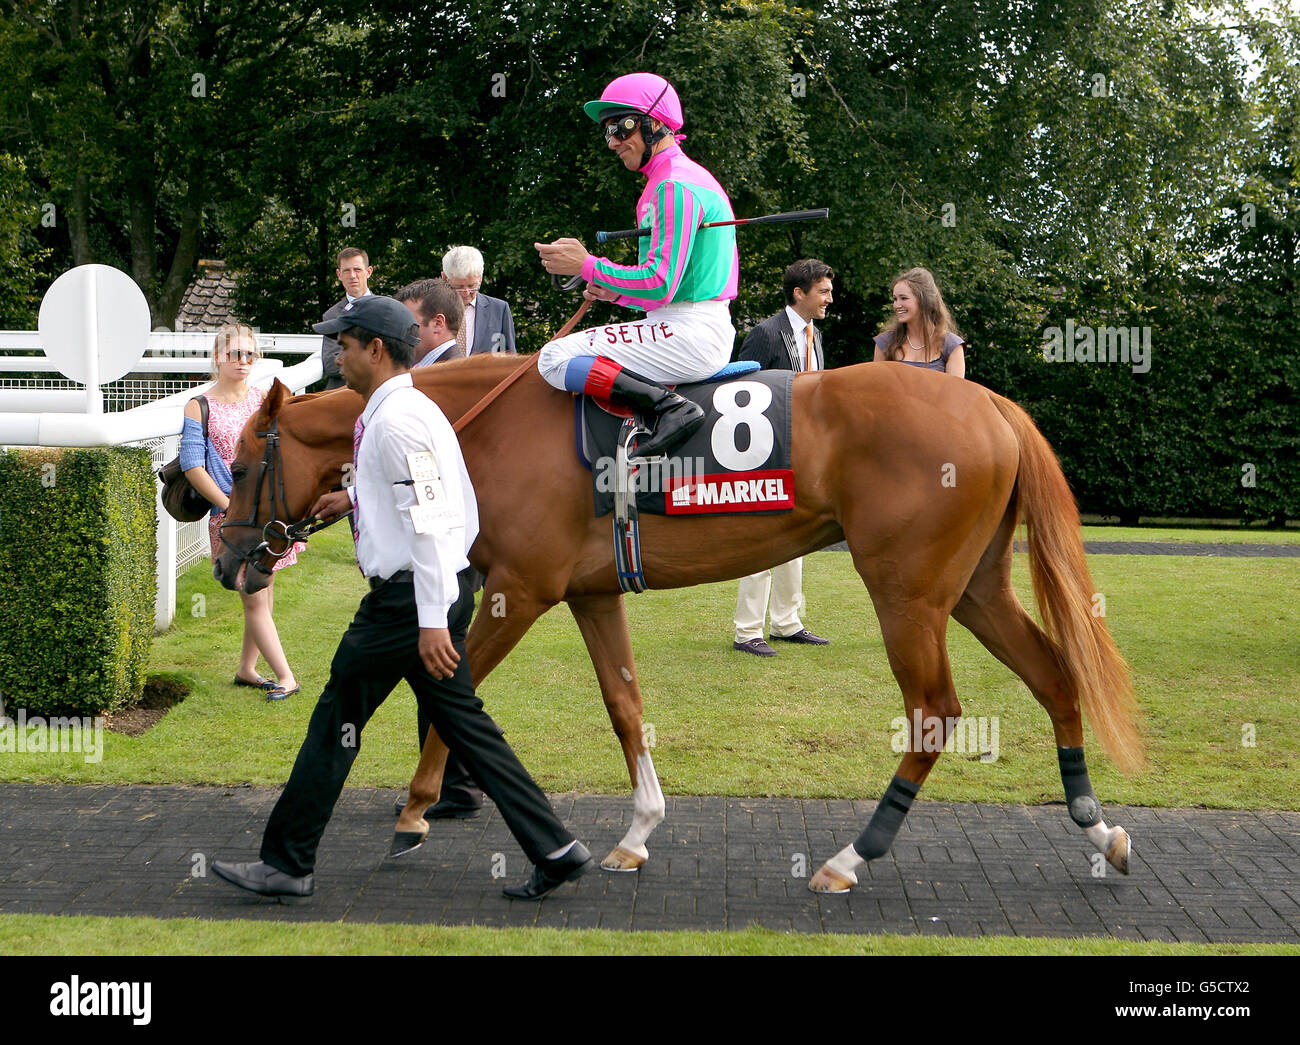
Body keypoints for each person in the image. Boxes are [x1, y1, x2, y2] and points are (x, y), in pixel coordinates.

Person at [212, 296, 593, 902]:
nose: (337, 354)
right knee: (467, 724)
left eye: (345, 344)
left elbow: (437, 519)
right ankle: (556, 848)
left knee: (336, 715)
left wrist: (432, 619)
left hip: (410, 600)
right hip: (430, 592)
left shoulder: (396, 420)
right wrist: (357, 500)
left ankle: (287, 862)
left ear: (376, 350)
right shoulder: (403, 409)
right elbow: (421, 496)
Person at [534, 72, 739, 460]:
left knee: (553, 357)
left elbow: (659, 283)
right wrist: (614, 290)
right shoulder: (670, 181)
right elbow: (668, 289)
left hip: (692, 332)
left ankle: (670, 410)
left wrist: (589, 265)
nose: (612, 141)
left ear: (656, 123)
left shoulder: (674, 186)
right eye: (607, 131)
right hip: (683, 323)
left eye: (621, 126)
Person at [180, 324, 303, 699]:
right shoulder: (199, 405)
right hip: (231, 519)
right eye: (235, 354)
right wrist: (227, 505)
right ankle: (286, 677)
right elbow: (191, 464)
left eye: (250, 354)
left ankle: (248, 669)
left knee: (263, 594)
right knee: (253, 594)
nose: (243, 361)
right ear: (218, 357)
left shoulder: (264, 399)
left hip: (270, 516)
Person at [731, 260, 835, 657]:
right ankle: (747, 632)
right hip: (763, 449)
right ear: (800, 293)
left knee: (797, 536)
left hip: (802, 451)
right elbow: (738, 389)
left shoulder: (815, 335)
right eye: (823, 291)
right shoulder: (765, 333)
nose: (829, 298)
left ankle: (787, 623)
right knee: (760, 536)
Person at [872, 267, 966, 378]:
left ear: (923, 300)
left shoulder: (951, 346)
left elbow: (956, 393)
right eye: (895, 299)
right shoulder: (885, 343)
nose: (897, 305)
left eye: (903, 298)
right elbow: (876, 390)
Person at [441, 246, 516, 356]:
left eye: (472, 286)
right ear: (444, 278)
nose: (466, 293)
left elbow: (509, 358)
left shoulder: (499, 310)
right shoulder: (430, 309)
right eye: (459, 287)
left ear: (480, 278)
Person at [320, 247, 374, 389]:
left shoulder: (388, 309)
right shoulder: (331, 315)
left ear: (368, 272)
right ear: (339, 274)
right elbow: (331, 365)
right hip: (342, 392)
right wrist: (373, 361)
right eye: (346, 270)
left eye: (357, 270)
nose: (352, 275)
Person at [394, 279, 465, 367]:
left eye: (407, 322)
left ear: (438, 323)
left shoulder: (451, 375)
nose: (400, 331)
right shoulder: (448, 369)